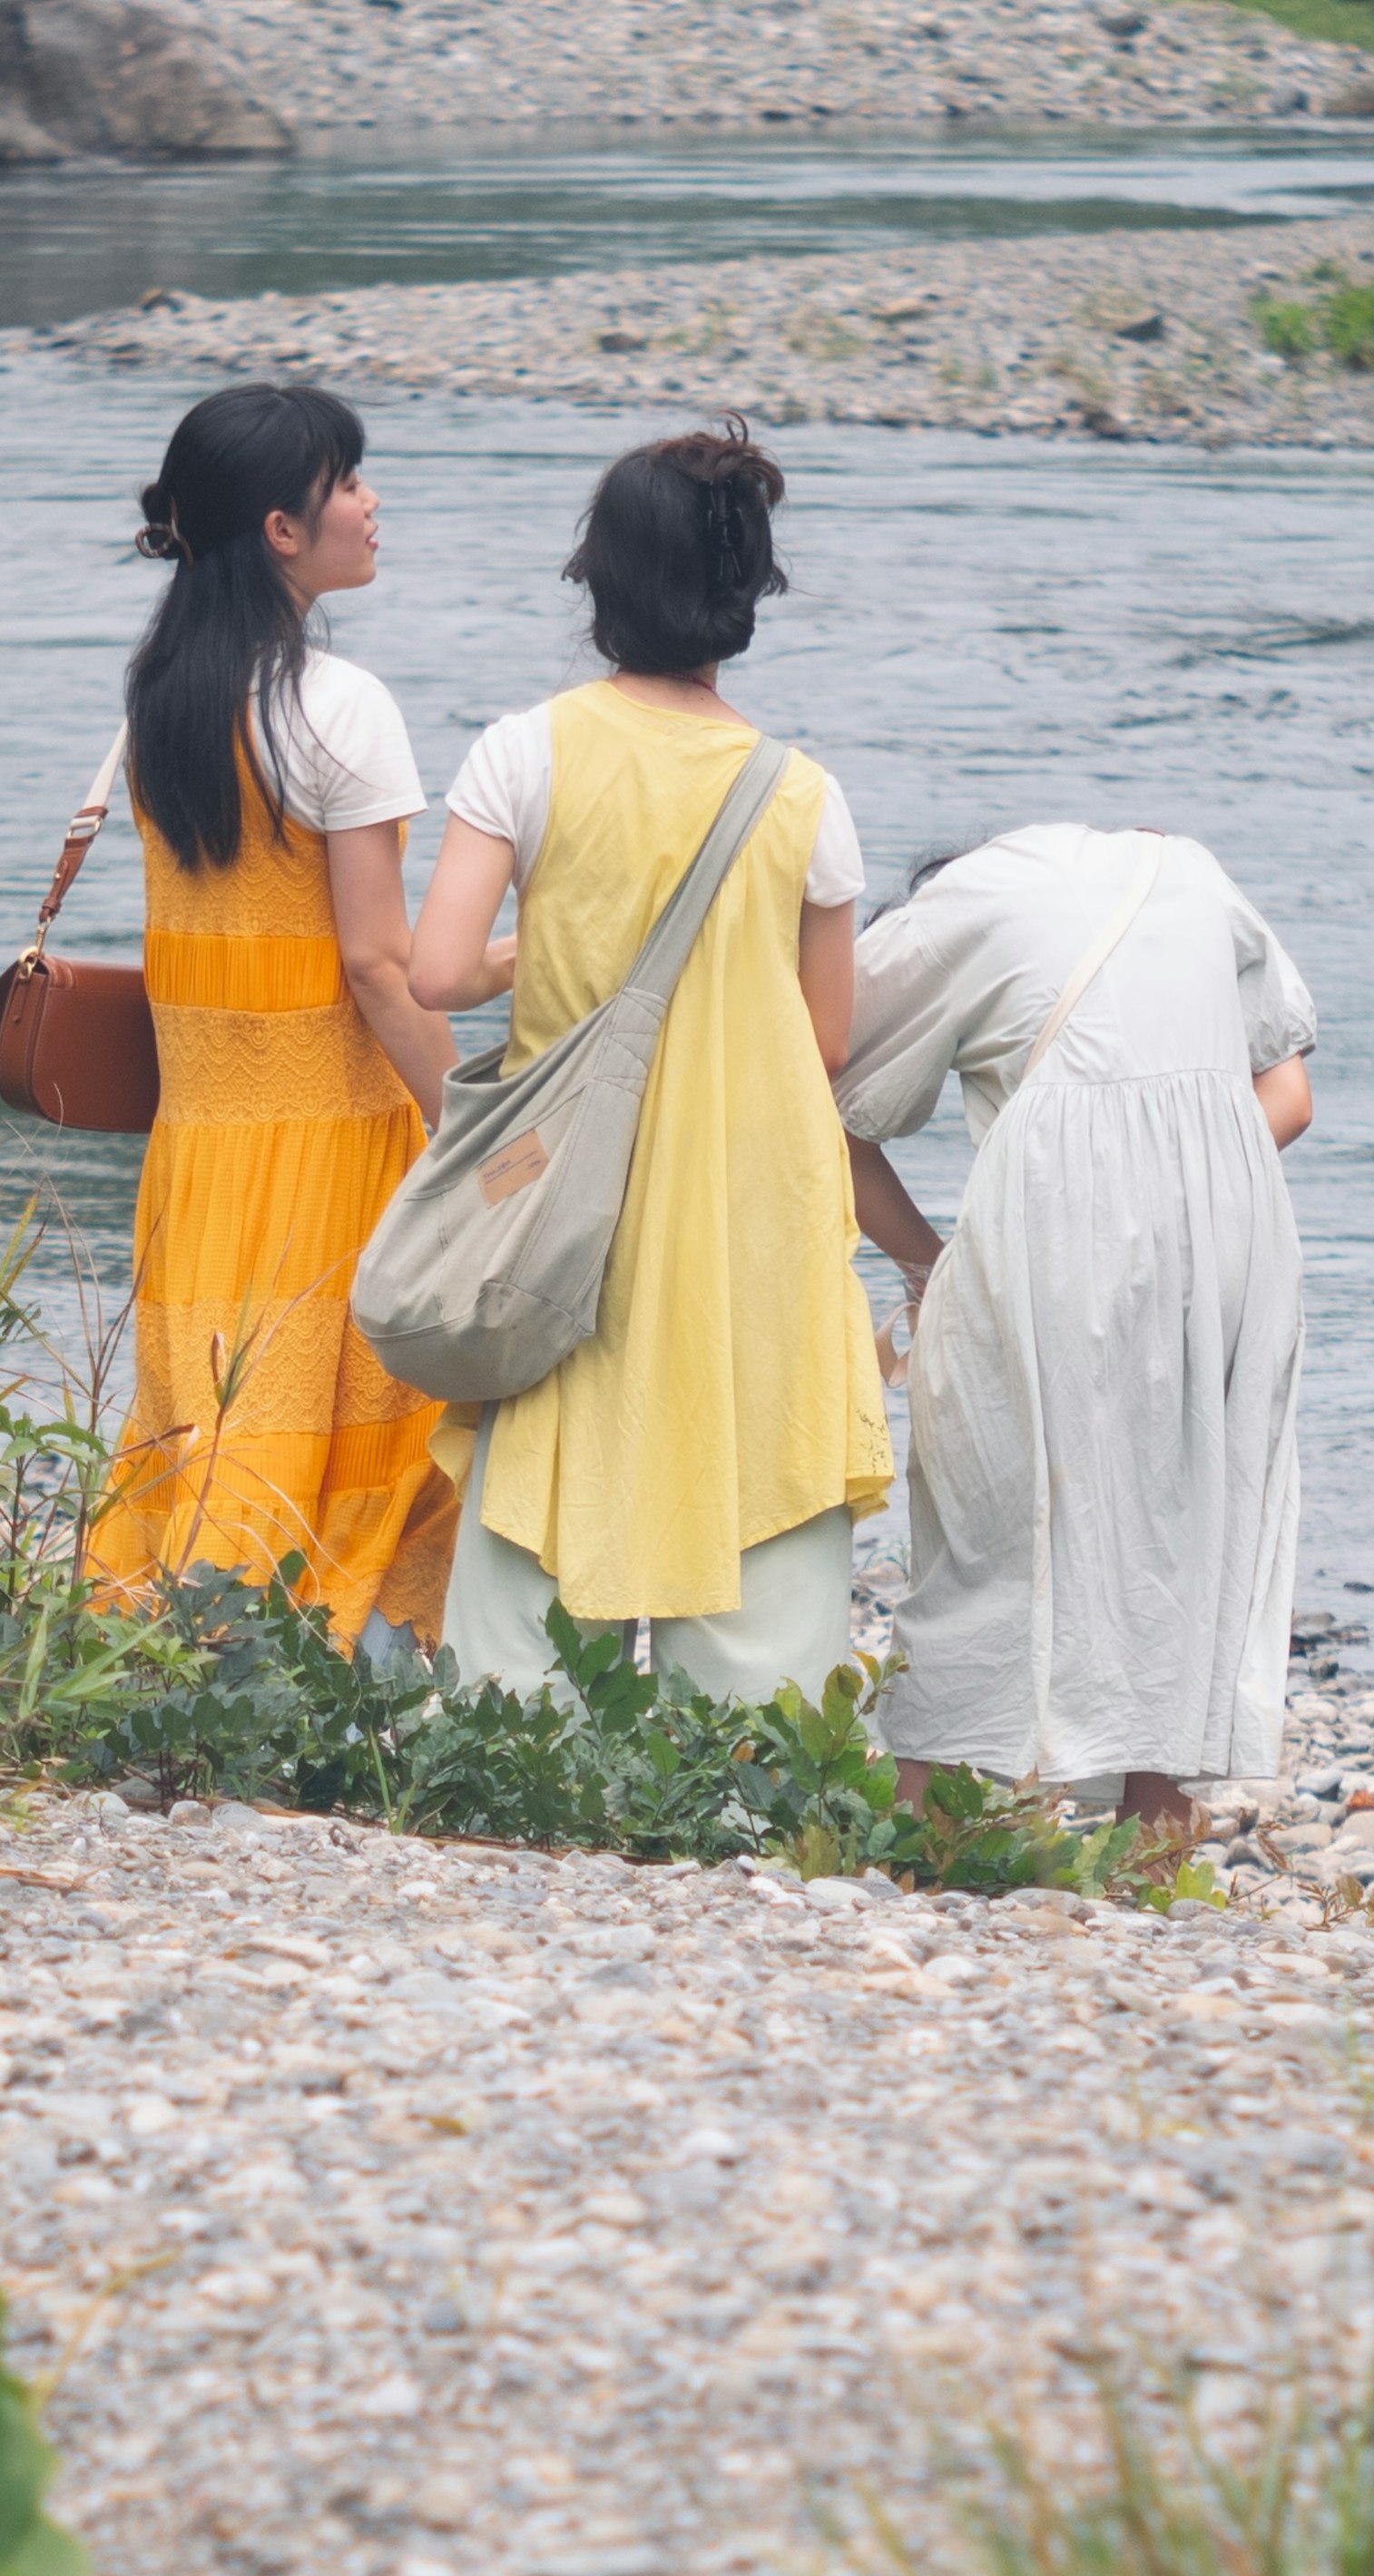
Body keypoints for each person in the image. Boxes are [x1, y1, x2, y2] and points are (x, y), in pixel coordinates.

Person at [405, 419, 888, 1702]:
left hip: (576, 1182)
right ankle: (750, 1762)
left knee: (556, 1437)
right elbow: (824, 1039)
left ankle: (515, 1739)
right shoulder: (803, 794)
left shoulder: (525, 750)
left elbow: (438, 972)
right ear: (746, 597)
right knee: (753, 1447)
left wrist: (546, 952)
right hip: (751, 1194)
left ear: (599, 581)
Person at [834, 825, 1317, 1819]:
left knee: (992, 1528)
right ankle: (1151, 1859)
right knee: (1185, 1526)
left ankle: (928, 1837)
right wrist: (1169, 1189)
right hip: (1235, 1240)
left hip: (1058, 1243)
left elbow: (813, 1092)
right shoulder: (1189, 867)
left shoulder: (950, 914)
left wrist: (930, 1263)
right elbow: (1289, 1096)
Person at [82, 383, 460, 1652]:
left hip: (201, 1148)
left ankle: (172, 1650)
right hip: (330, 1143)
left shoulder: (162, 696)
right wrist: (466, 1124)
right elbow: (373, 963)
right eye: (345, 481)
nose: (368, 502)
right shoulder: (340, 704)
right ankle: (314, 1665)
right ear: (282, 531)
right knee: (368, 1427)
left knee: (210, 1421)